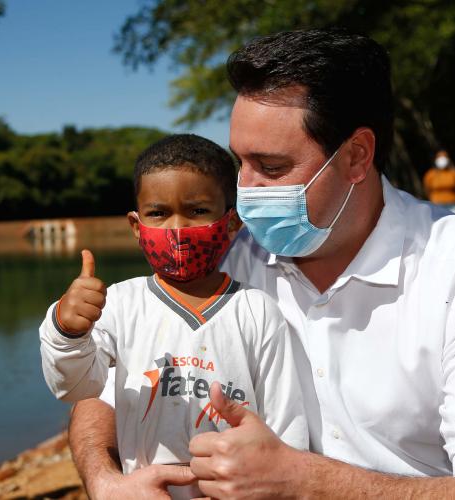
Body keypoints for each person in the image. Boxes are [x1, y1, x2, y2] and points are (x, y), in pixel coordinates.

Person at [68, 29, 455, 499]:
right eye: (238, 164)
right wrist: (105, 480)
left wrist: (302, 480)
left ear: (356, 156)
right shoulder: (228, 258)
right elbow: (108, 383)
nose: (245, 192)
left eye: (270, 168)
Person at [39, 134, 308, 499]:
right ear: (137, 226)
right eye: (158, 213)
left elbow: (287, 427)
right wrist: (67, 329)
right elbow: (74, 386)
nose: (177, 230)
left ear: (232, 224)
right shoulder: (118, 304)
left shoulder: (258, 311)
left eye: (197, 211)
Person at [423, 150, 455, 214]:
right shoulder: (430, 174)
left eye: (444, 157)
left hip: (454, 204)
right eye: (439, 157)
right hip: (437, 204)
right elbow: (427, 189)